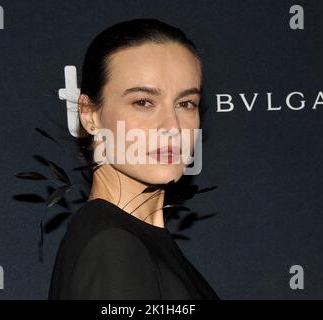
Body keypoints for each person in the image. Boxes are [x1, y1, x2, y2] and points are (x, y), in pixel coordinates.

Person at [48, 18, 219, 300]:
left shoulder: (134, 238)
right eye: (143, 102)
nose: (172, 127)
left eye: (186, 104)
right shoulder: (113, 246)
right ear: (89, 114)